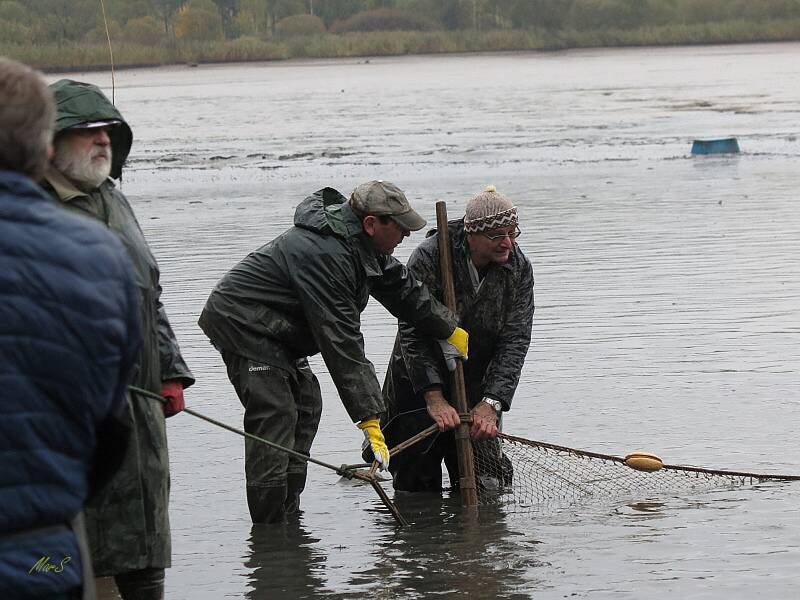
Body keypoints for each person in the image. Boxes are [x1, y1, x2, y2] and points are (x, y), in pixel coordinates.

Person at [199, 181, 468, 523]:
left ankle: (289, 512)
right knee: (276, 413)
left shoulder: (362, 246)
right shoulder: (324, 254)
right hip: (244, 324)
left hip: (282, 332)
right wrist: (371, 418)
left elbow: (402, 288)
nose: (406, 236)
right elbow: (342, 341)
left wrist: (448, 327)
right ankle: (270, 531)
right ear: (372, 223)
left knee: (307, 404)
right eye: (400, 228)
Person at [40, 79, 195, 600]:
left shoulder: (113, 199)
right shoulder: (25, 207)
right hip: (65, 413)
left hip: (140, 406)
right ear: (50, 141)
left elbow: (149, 292)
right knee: (64, 545)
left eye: (108, 131)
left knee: (145, 539)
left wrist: (170, 370)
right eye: (87, 132)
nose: (102, 141)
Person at [0, 58, 140, 600]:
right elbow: (109, 424)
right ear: (43, 148)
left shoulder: (110, 218)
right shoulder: (98, 254)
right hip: (44, 555)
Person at [381, 185, 534, 493]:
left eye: (512, 233)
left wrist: (492, 402)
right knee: (416, 489)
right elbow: (412, 331)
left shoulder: (518, 268)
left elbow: (515, 340)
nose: (508, 243)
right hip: (418, 383)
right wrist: (434, 397)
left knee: (487, 486)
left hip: (479, 385)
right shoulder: (431, 256)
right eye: (497, 236)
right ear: (472, 236)